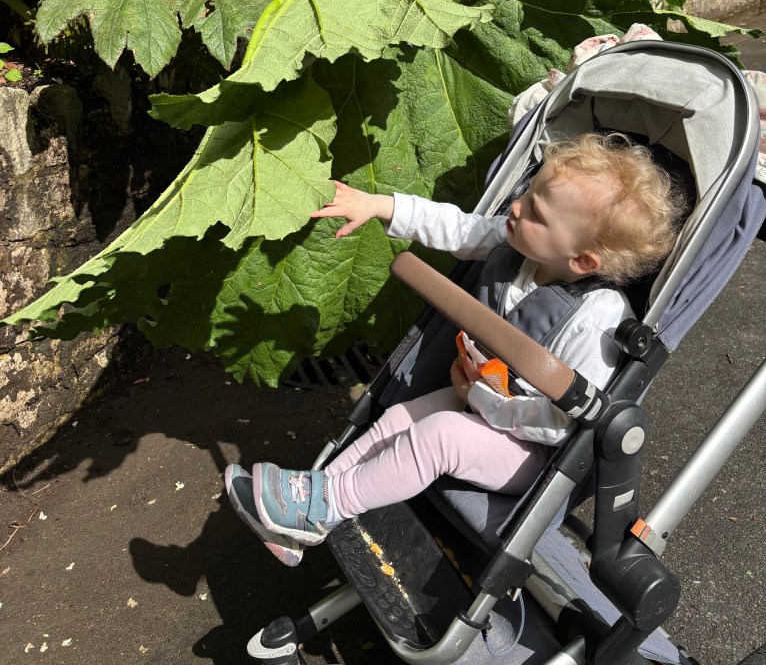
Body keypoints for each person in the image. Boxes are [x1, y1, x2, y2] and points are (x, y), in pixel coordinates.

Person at [225, 132, 687, 566]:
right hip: (478, 395)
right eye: (527, 192)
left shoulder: (597, 319)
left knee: (440, 433)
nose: (517, 206)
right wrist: (379, 205)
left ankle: (324, 507)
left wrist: (480, 400)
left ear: (583, 260)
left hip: (528, 450)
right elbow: (454, 227)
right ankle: (308, 510)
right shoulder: (516, 246)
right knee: (398, 417)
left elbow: (562, 423)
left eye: (537, 212)